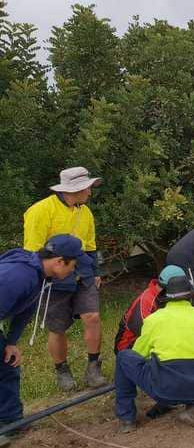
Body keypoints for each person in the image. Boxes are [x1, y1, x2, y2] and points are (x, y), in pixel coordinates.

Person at [23, 166, 107, 391]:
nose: (90, 193)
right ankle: (62, 370)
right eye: (87, 188)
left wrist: (96, 272)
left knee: (93, 317)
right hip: (55, 278)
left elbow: (90, 246)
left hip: (83, 274)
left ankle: (93, 366)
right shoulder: (40, 211)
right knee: (57, 327)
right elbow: (33, 251)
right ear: (74, 189)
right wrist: (40, 280)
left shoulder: (86, 212)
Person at [1, 235, 87, 448]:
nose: (73, 272)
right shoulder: (19, 276)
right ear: (59, 262)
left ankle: (11, 422)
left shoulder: (40, 276)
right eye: (72, 266)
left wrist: (10, 341)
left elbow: (25, 310)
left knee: (7, 364)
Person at [114, 276, 194, 433]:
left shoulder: (154, 320)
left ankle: (127, 418)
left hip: (165, 388)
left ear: (166, 298)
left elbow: (140, 353)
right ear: (190, 296)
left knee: (124, 357)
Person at [113, 265, 187, 353]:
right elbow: (145, 334)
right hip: (127, 348)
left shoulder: (164, 297)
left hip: (149, 338)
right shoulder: (146, 301)